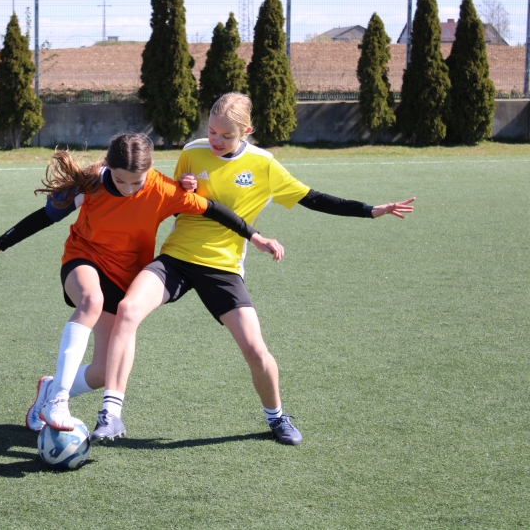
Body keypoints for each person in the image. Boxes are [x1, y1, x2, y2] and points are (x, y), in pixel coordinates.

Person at [89, 92, 415, 445]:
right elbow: (181, 205)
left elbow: (313, 198)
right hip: (177, 256)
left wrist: (369, 210)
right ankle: (111, 414)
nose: (216, 140)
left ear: (247, 131)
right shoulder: (193, 151)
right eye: (212, 131)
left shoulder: (264, 164)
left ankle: (277, 417)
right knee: (128, 309)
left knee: (255, 350)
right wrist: (186, 188)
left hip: (223, 266)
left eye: (226, 135)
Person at [0, 133, 283, 432]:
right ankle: (59, 400)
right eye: (121, 181)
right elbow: (44, 217)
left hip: (123, 278)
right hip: (83, 260)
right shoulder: (91, 184)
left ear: (150, 169)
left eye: (137, 182)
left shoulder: (163, 189)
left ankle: (49, 389)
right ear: (109, 165)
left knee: (103, 372)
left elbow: (212, 208)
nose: (128, 188)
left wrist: (254, 236)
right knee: (91, 301)